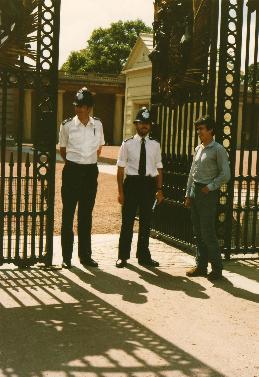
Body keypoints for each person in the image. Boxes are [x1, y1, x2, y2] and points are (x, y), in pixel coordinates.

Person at [59, 87, 105, 269]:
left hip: (90, 173)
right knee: (68, 214)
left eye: (83, 106)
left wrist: (88, 163)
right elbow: (63, 149)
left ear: (90, 108)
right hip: (72, 171)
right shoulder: (67, 125)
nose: (79, 109)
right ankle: (66, 257)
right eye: (77, 105)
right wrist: (75, 163)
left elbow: (99, 148)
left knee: (86, 215)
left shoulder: (98, 125)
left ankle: (85, 256)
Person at [116, 107, 164, 268]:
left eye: (147, 123)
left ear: (150, 126)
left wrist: (159, 189)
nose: (144, 126)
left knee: (146, 222)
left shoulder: (155, 145)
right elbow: (121, 169)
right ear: (136, 124)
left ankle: (143, 256)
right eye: (141, 123)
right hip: (132, 185)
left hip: (148, 186)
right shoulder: (127, 144)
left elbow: (159, 168)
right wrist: (120, 192)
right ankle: (123, 256)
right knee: (127, 222)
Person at [184, 115, 231, 281]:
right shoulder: (198, 148)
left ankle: (217, 268)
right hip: (196, 192)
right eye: (197, 129)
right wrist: (188, 194)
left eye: (201, 129)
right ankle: (201, 266)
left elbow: (226, 174)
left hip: (207, 194)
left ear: (210, 130)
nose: (198, 132)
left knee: (208, 232)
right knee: (197, 231)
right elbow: (192, 173)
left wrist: (210, 187)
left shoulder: (218, 149)